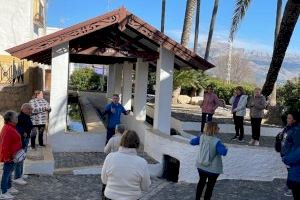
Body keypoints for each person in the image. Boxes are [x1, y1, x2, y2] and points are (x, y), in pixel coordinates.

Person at [101, 130, 151, 200]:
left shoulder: (110, 157)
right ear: (137, 144)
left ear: (121, 142)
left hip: (110, 197)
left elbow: (104, 180)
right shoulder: (142, 162)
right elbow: (145, 187)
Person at [190, 122, 228, 200]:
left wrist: (199, 137)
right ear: (215, 129)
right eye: (217, 127)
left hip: (201, 166)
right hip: (213, 169)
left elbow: (192, 142)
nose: (218, 129)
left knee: (201, 182)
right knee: (210, 186)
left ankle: (197, 198)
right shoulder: (217, 141)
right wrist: (225, 148)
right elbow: (223, 152)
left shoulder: (201, 137)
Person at [0, 111, 22, 199]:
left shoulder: (11, 127)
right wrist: (7, 157)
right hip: (9, 156)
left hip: (13, 156)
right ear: (10, 119)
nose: (17, 118)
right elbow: (4, 145)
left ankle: (8, 187)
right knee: (6, 173)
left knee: (9, 172)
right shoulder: (8, 129)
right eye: (15, 117)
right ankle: (3, 192)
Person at [102, 124, 126, 198]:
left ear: (116, 130)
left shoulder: (113, 139)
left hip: (113, 161)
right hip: (123, 162)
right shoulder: (126, 140)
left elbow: (105, 151)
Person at [280, 112, 300, 200]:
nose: (287, 120)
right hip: (291, 160)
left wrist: (286, 159)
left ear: (295, 120)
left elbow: (297, 149)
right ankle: (290, 186)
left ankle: (290, 186)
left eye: (289, 118)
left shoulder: (297, 130)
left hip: (294, 163)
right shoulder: (289, 128)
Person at [14, 103, 33, 185]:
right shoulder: (19, 117)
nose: (30, 110)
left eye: (31, 109)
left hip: (25, 139)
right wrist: (23, 132)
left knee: (22, 157)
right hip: (21, 140)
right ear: (23, 109)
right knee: (19, 158)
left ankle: (20, 174)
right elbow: (15, 127)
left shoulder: (26, 117)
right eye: (28, 109)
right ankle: (17, 177)